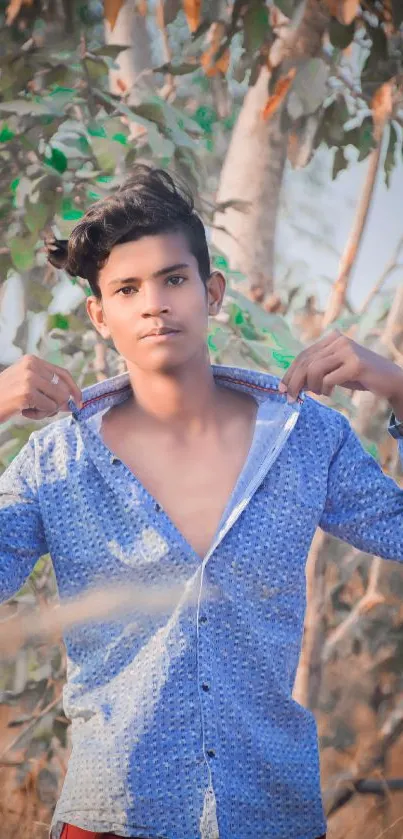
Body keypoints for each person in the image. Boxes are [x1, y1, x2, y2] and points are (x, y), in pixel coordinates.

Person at [0, 165, 402, 839]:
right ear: (99, 314)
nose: (154, 302)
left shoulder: (304, 438)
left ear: (211, 292)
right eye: (127, 288)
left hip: (272, 813)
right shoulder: (55, 462)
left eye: (173, 279)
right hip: (112, 818)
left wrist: (397, 386)